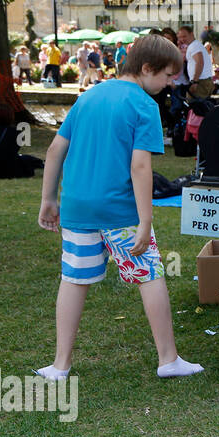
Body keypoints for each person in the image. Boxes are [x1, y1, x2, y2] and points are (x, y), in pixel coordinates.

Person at [35, 34, 203, 381]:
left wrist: (48, 199)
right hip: (121, 210)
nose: (172, 83)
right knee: (150, 275)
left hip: (78, 208)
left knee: (73, 280)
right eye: (169, 75)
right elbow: (139, 167)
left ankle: (60, 364)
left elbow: (54, 151)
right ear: (146, 69)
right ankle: (168, 358)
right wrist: (146, 220)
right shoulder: (143, 106)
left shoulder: (88, 97)